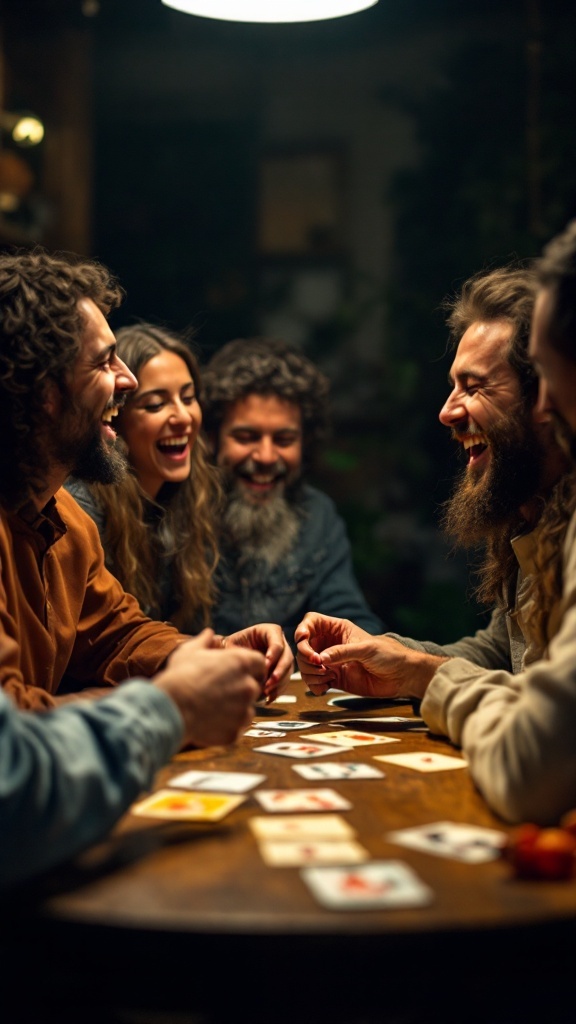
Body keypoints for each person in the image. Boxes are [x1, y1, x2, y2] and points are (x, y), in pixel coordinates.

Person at [0, 247, 292, 885]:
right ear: (46, 393)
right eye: (106, 363)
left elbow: (118, 632)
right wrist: (169, 705)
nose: (125, 381)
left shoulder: (64, 519)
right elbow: (16, 737)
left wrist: (194, 658)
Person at [295, 258, 576, 825]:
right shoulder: (538, 519)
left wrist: (426, 676)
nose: (447, 412)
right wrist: (394, 657)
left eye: (474, 387)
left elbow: (536, 770)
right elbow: (503, 656)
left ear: (544, 396)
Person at [201, 337, 384, 645]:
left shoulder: (317, 517)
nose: (266, 457)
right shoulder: (176, 511)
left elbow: (351, 623)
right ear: (212, 437)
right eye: (246, 436)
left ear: (305, 443)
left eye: (284, 439)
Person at [66, 323, 221, 632]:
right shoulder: (82, 506)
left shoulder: (183, 502)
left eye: (189, 398)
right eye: (155, 404)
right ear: (115, 417)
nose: (183, 417)